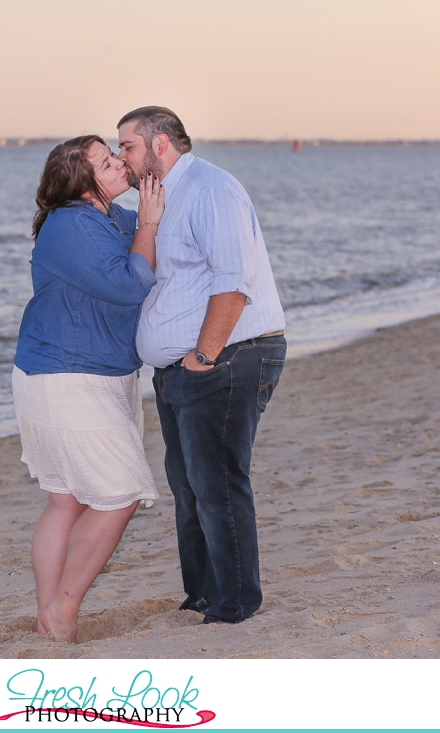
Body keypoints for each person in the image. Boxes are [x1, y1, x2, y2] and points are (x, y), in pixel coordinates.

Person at [116, 106, 286, 625]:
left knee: (217, 482)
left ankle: (236, 603)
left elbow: (234, 280)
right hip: (183, 369)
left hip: (226, 359)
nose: (121, 157)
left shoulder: (211, 189)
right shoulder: (164, 197)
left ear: (159, 145)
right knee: (188, 484)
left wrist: (204, 356)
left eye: (126, 147)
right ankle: (205, 594)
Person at [12, 133, 166, 643]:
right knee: (120, 494)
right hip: (66, 377)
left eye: (116, 152)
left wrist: (151, 209)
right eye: (107, 162)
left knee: (66, 500)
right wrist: (148, 223)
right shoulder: (69, 227)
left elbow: (154, 246)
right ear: (84, 187)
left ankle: (49, 621)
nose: (120, 162)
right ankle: (64, 608)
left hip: (97, 374)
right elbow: (128, 283)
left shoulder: (108, 218)